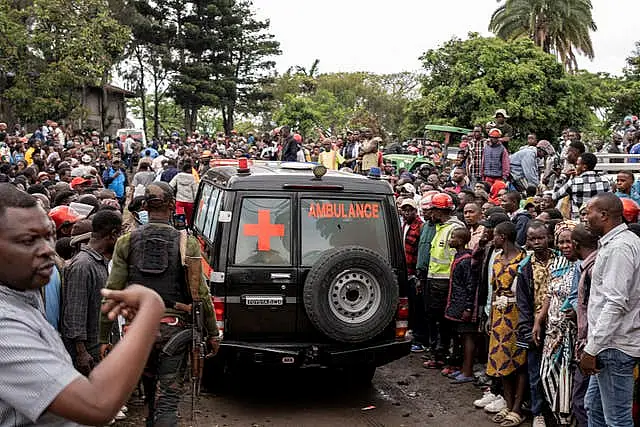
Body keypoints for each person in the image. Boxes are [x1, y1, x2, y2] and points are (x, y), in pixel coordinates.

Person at [0, 183, 165, 425]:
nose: (47, 249)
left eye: (49, 235)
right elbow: (97, 404)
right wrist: (151, 309)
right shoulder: (4, 327)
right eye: (27, 241)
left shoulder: (25, 293)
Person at [99, 182, 220, 427]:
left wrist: (103, 338)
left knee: (150, 396)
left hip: (138, 333)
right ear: (173, 205)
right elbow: (200, 295)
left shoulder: (126, 242)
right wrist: (212, 332)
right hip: (174, 331)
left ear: (144, 206)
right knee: (167, 400)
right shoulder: (187, 244)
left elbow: (112, 293)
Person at [581, 193, 640, 427]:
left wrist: (592, 349)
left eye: (588, 213)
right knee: (593, 408)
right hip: (607, 344)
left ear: (604, 215)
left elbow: (615, 302)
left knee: (617, 419)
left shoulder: (620, 248)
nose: (584, 218)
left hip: (615, 346)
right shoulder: (614, 244)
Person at [61, 210, 122, 376]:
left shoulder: (99, 262)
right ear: (113, 235)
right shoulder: (83, 265)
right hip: (90, 352)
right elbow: (74, 313)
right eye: (120, 234)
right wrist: (81, 352)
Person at [534, 221, 578, 425]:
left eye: (569, 241)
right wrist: (538, 321)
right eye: (561, 242)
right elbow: (549, 295)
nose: (565, 246)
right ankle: (559, 415)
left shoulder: (582, 264)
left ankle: (567, 419)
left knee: (568, 377)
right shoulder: (558, 263)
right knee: (547, 374)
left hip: (572, 332)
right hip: (553, 331)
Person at [486, 221, 528, 427]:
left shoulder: (523, 259)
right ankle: (509, 404)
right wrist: (489, 316)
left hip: (517, 316)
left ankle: (518, 408)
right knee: (501, 359)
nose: (493, 238)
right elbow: (494, 289)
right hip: (499, 316)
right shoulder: (497, 258)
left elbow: (525, 292)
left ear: (503, 237)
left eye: (495, 235)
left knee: (519, 362)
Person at [516, 220, 557, 427]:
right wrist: (527, 327)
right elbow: (522, 302)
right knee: (535, 371)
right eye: (533, 239)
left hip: (558, 325)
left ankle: (557, 411)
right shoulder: (525, 267)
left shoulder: (560, 261)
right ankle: (537, 412)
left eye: (541, 238)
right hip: (535, 326)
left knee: (557, 370)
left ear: (549, 238)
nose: (538, 242)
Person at [423, 193, 465, 368]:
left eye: (431, 210)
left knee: (444, 321)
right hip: (434, 279)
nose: (429, 214)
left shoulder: (454, 229)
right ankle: (438, 353)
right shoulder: (441, 227)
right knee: (434, 317)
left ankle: (444, 356)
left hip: (445, 281)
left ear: (439, 210)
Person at [569, 224, 599, 427]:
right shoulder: (587, 265)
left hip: (593, 343)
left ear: (575, 244)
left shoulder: (594, 267)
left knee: (584, 401)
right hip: (591, 341)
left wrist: (591, 348)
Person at [443, 227, 476, 383]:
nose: (450, 240)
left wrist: (468, 307)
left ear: (461, 241)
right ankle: (462, 368)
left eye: (453, 237)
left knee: (467, 336)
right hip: (457, 303)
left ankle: (468, 370)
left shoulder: (466, 260)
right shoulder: (459, 257)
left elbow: (470, 285)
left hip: (463, 305)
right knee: (460, 336)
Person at [552, 152, 611, 220]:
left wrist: (563, 177)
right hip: (598, 221)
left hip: (578, 221)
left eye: (577, 164)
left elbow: (554, 196)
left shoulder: (573, 182)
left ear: (584, 167)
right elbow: (609, 201)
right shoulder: (605, 181)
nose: (575, 167)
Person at [400, 198, 425, 352]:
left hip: (414, 272)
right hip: (405, 270)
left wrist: (417, 274)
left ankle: (419, 337)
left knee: (417, 307)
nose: (407, 212)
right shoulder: (404, 225)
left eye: (410, 210)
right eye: (404, 210)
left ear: (416, 211)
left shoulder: (420, 227)